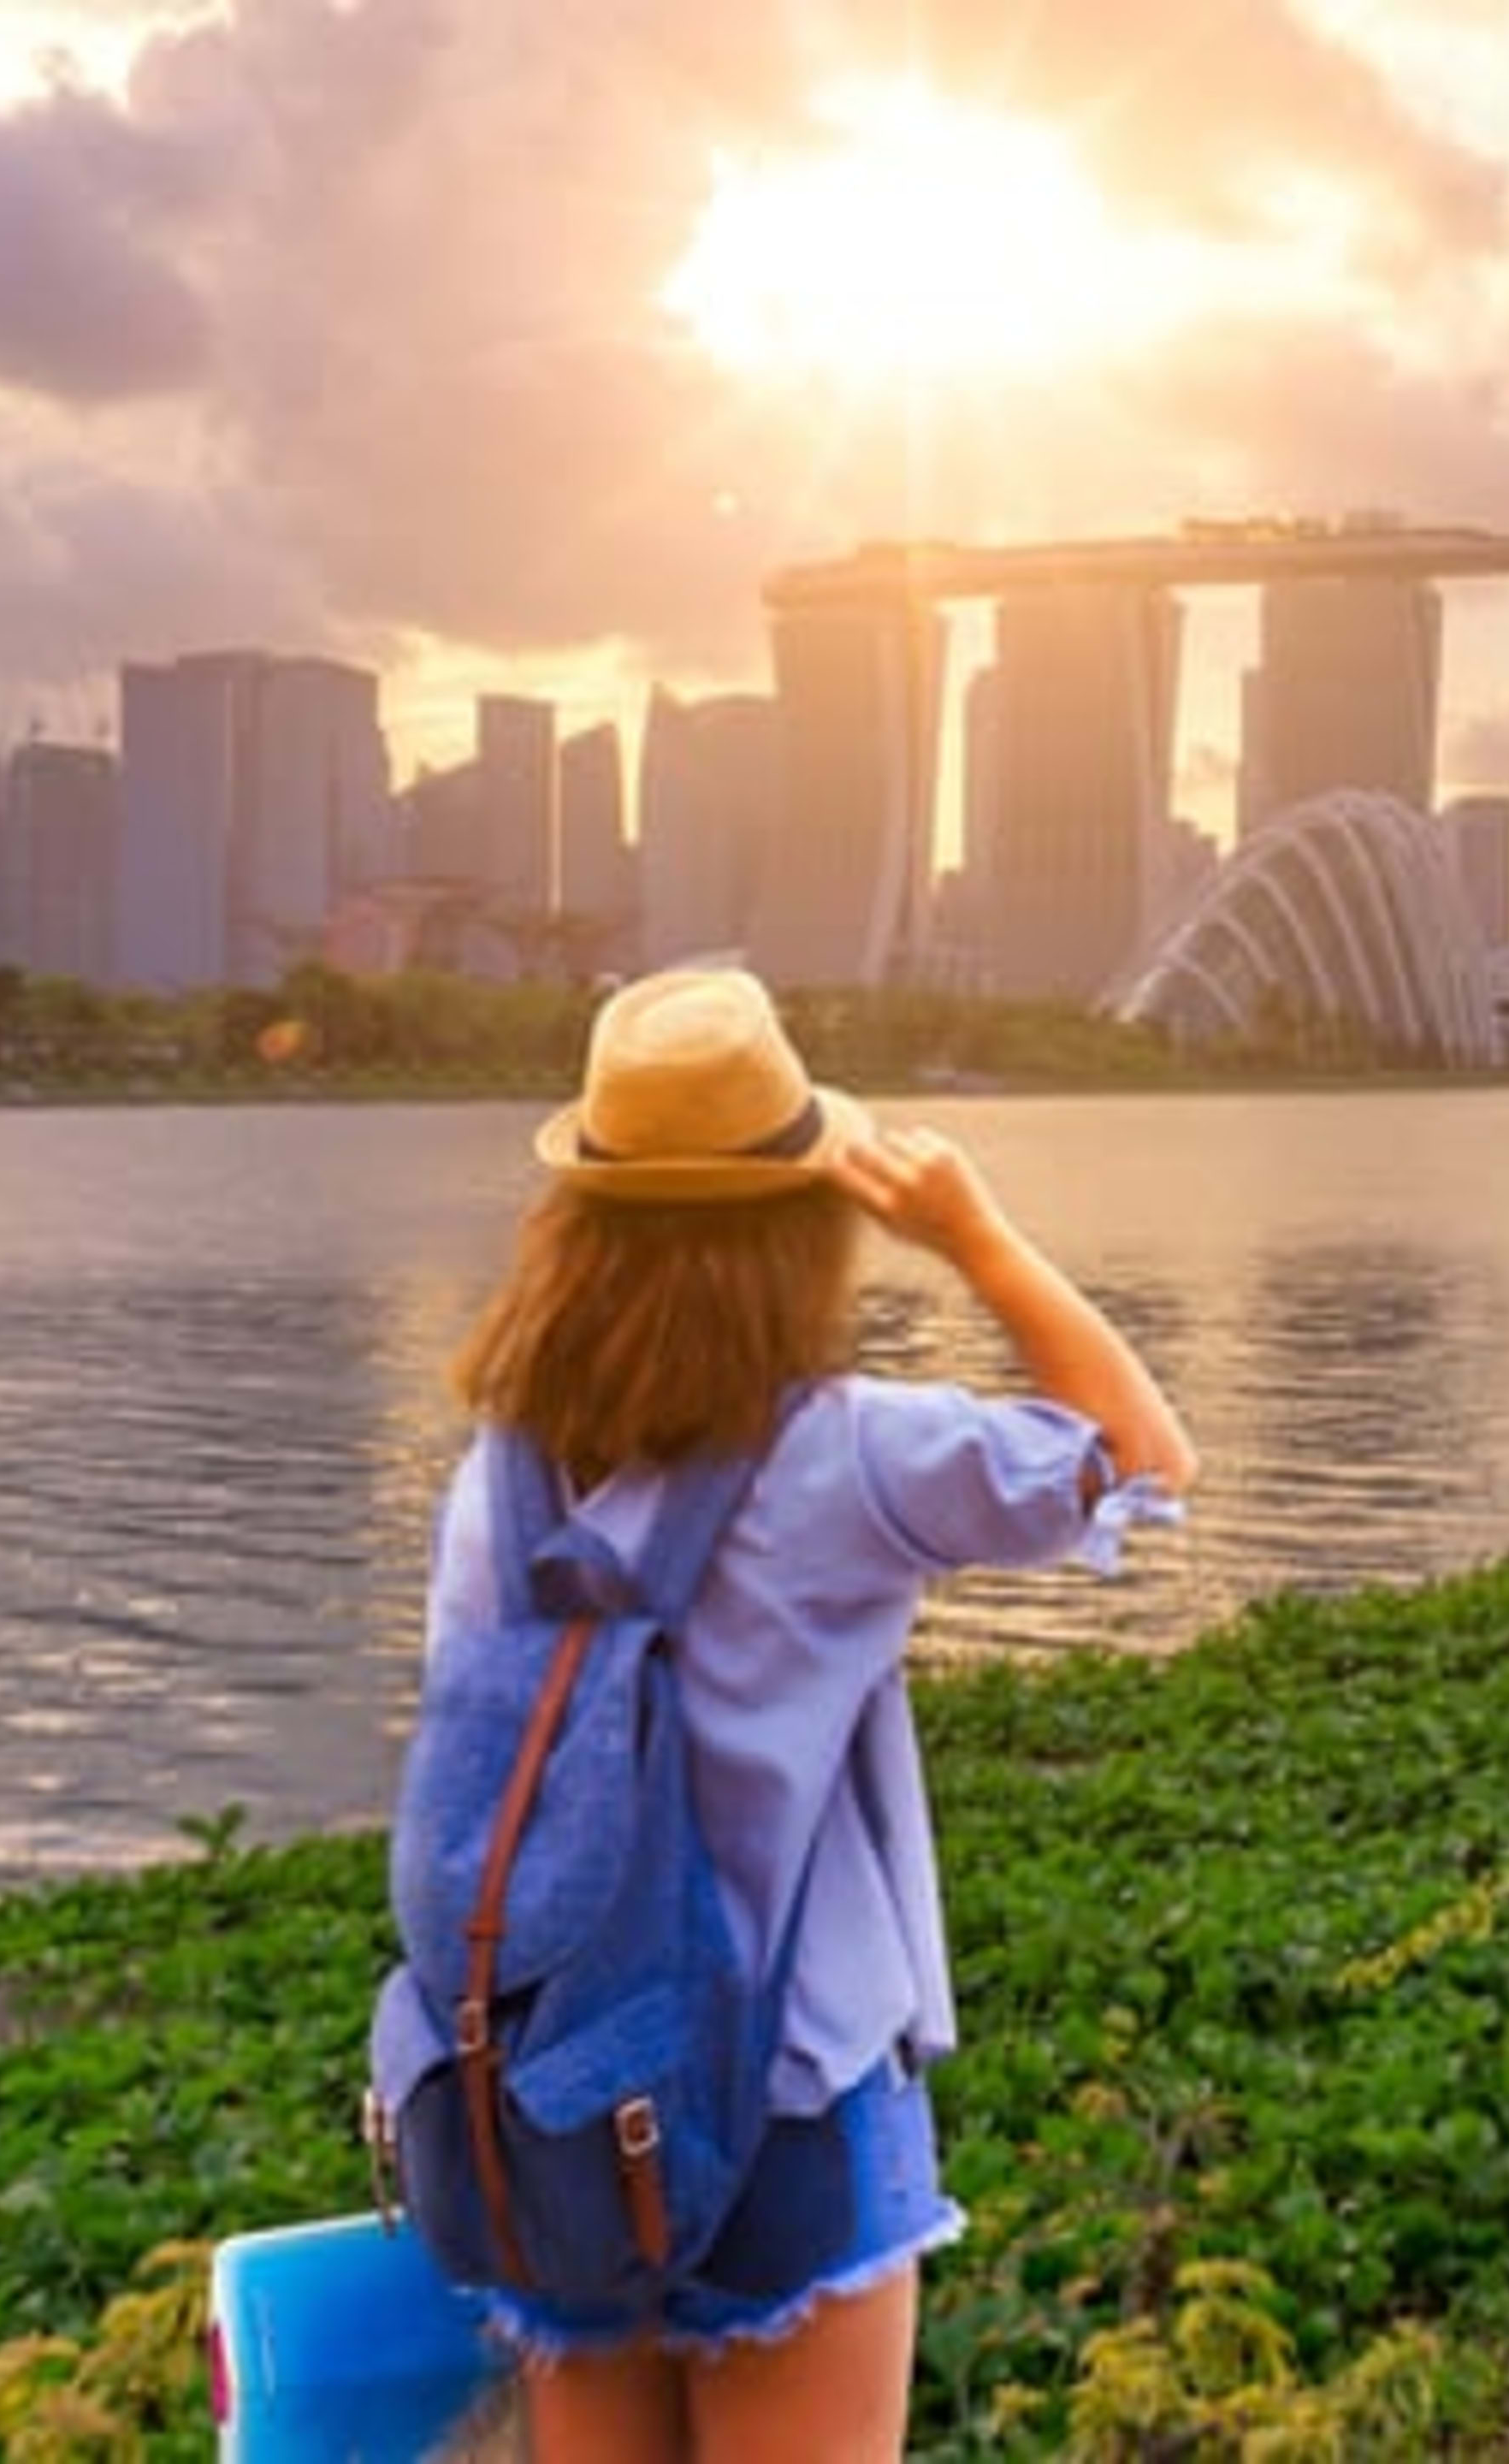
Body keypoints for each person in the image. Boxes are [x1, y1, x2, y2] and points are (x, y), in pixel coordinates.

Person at [420, 965, 1198, 2462]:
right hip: (785, 2098)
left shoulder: (495, 1482)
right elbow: (1145, 1456)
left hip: (558, 2110)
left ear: (576, 1220)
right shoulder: (845, 1460)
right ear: (801, 1221)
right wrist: (972, 1234)